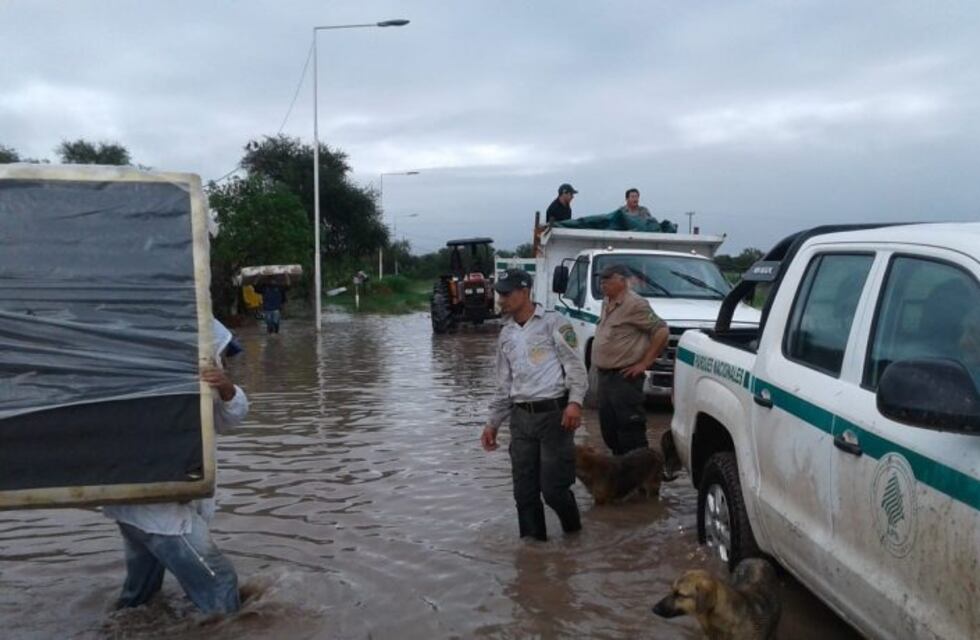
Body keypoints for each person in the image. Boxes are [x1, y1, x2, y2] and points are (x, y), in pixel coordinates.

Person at [103, 319, 248, 614]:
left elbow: (227, 420)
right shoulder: (166, 388)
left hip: (137, 506)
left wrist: (227, 389)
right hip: (162, 512)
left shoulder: (194, 387)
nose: (225, 362)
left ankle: (123, 628)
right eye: (221, 354)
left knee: (140, 595)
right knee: (219, 581)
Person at [481, 269, 587, 541]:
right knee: (524, 492)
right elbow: (504, 384)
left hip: (555, 416)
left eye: (506, 293)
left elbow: (575, 365)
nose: (501, 299)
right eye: (499, 293)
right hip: (521, 419)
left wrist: (574, 403)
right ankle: (532, 554)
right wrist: (492, 423)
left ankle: (574, 537)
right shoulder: (506, 335)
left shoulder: (554, 323)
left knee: (553, 489)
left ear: (524, 291)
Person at [591, 264, 669, 455]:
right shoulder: (606, 302)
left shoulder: (636, 304)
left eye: (608, 280)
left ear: (622, 281)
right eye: (602, 280)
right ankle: (620, 470)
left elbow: (661, 331)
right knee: (609, 428)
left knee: (630, 429)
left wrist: (644, 363)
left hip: (624, 378)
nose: (603, 284)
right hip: (605, 376)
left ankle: (640, 475)